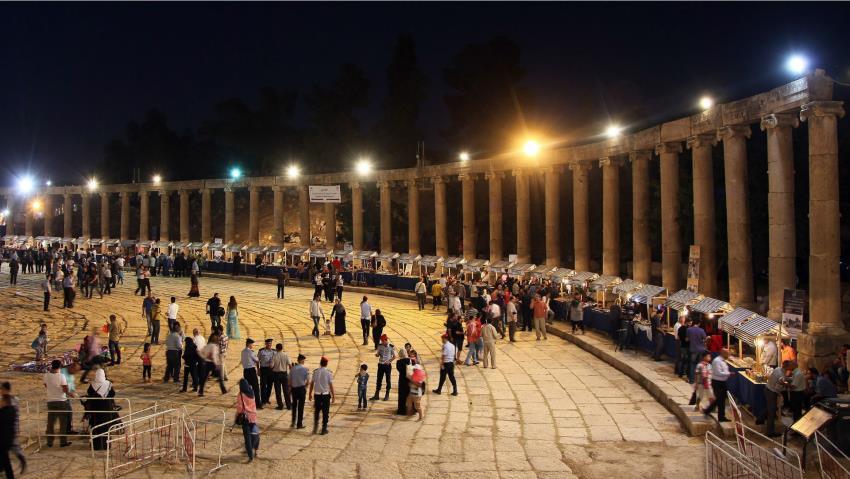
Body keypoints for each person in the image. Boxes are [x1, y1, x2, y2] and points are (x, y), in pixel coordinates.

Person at [83, 367, 118, 451]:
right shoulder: (108, 384)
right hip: (107, 409)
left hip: (96, 409)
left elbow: (89, 393)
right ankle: (106, 446)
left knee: (96, 426)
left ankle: (96, 446)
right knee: (106, 426)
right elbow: (113, 394)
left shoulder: (92, 385)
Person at [43, 359, 71, 448]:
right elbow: (65, 389)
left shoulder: (46, 375)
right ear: (60, 367)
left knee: (50, 422)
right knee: (63, 422)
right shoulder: (61, 376)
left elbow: (46, 386)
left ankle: (49, 441)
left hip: (50, 401)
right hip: (61, 401)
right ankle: (63, 442)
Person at [0, 383, 26, 476]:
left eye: (2, 389)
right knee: (6, 452)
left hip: (10, 429)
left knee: (14, 448)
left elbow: (14, 416)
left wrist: (17, 428)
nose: (1, 390)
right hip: (7, 430)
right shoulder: (5, 399)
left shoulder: (12, 400)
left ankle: (22, 461)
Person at [703, 348, 732, 422]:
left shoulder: (722, 361)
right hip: (717, 382)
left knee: (720, 399)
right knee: (720, 400)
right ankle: (721, 417)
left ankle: (708, 410)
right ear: (723, 353)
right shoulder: (717, 361)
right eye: (728, 354)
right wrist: (729, 374)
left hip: (722, 382)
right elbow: (718, 372)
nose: (729, 355)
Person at [765, 360, 792, 437]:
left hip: (768, 389)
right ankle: (770, 432)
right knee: (772, 412)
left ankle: (760, 419)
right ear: (787, 367)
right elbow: (778, 388)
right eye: (790, 366)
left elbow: (783, 378)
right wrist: (786, 386)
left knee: (770, 410)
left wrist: (788, 379)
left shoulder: (777, 369)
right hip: (772, 393)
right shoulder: (781, 376)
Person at [235, 378, 260, 463]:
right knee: (255, 434)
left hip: (245, 419)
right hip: (253, 417)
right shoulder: (252, 393)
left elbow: (239, 409)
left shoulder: (240, 395)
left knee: (247, 438)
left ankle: (250, 456)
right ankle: (256, 450)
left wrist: (236, 418)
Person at [309, 356, 335, 435]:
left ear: (320, 363)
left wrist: (310, 394)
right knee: (325, 412)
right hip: (325, 395)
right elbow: (331, 385)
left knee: (317, 411)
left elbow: (312, 384)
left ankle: (315, 427)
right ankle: (324, 429)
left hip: (317, 395)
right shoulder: (329, 372)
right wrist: (333, 396)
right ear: (326, 364)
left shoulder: (315, 372)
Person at [373, 334, 396, 401]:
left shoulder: (391, 347)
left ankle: (387, 394)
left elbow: (394, 356)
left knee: (388, 379)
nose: (382, 342)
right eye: (381, 341)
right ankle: (376, 394)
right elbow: (378, 354)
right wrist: (377, 355)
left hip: (387, 365)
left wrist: (389, 361)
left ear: (386, 340)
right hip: (381, 364)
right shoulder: (380, 346)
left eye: (383, 341)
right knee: (379, 379)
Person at [241, 339, 262, 408]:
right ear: (249, 344)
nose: (252, 346)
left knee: (247, 388)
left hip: (245, 371)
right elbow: (257, 360)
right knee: (256, 388)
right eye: (252, 344)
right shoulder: (251, 352)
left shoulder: (242, 352)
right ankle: (258, 404)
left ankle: (247, 404)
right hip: (251, 371)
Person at [290, 354, 309, 429]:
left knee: (294, 406)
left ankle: (293, 422)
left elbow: (289, 381)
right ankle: (299, 424)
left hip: (294, 389)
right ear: (302, 360)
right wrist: (305, 387)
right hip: (301, 389)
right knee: (301, 407)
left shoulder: (292, 369)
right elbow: (308, 381)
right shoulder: (305, 369)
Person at [272, 343, 291, 410]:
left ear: (276, 348)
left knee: (278, 391)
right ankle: (289, 405)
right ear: (282, 348)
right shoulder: (285, 355)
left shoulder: (274, 356)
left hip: (276, 374)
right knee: (286, 390)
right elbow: (290, 365)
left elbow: (271, 366)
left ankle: (280, 406)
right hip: (284, 374)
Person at [258, 339, 275, 407]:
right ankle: (263, 400)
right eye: (268, 344)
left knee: (270, 385)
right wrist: (258, 369)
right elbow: (257, 360)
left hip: (271, 370)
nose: (269, 345)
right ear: (265, 344)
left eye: (270, 344)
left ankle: (267, 398)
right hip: (263, 369)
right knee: (263, 385)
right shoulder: (261, 351)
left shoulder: (274, 351)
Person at [396, 349, 411, 415]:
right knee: (409, 395)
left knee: (402, 395)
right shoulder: (409, 360)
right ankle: (409, 409)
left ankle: (401, 410)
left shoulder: (398, 362)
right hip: (408, 379)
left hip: (402, 379)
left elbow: (399, 370)